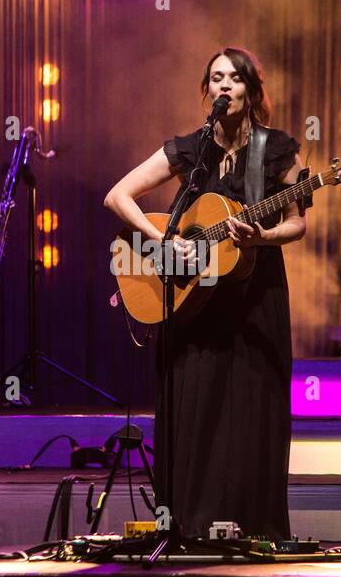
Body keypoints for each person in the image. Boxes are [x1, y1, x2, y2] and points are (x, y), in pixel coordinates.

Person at [104, 47, 307, 539]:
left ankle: (253, 527)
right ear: (206, 90)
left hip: (254, 299)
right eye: (216, 78)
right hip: (194, 304)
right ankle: (188, 526)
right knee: (195, 405)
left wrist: (261, 237)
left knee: (250, 407)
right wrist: (164, 239)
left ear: (251, 90)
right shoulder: (191, 150)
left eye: (234, 78)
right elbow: (118, 195)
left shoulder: (279, 150)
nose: (224, 86)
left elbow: (297, 223)